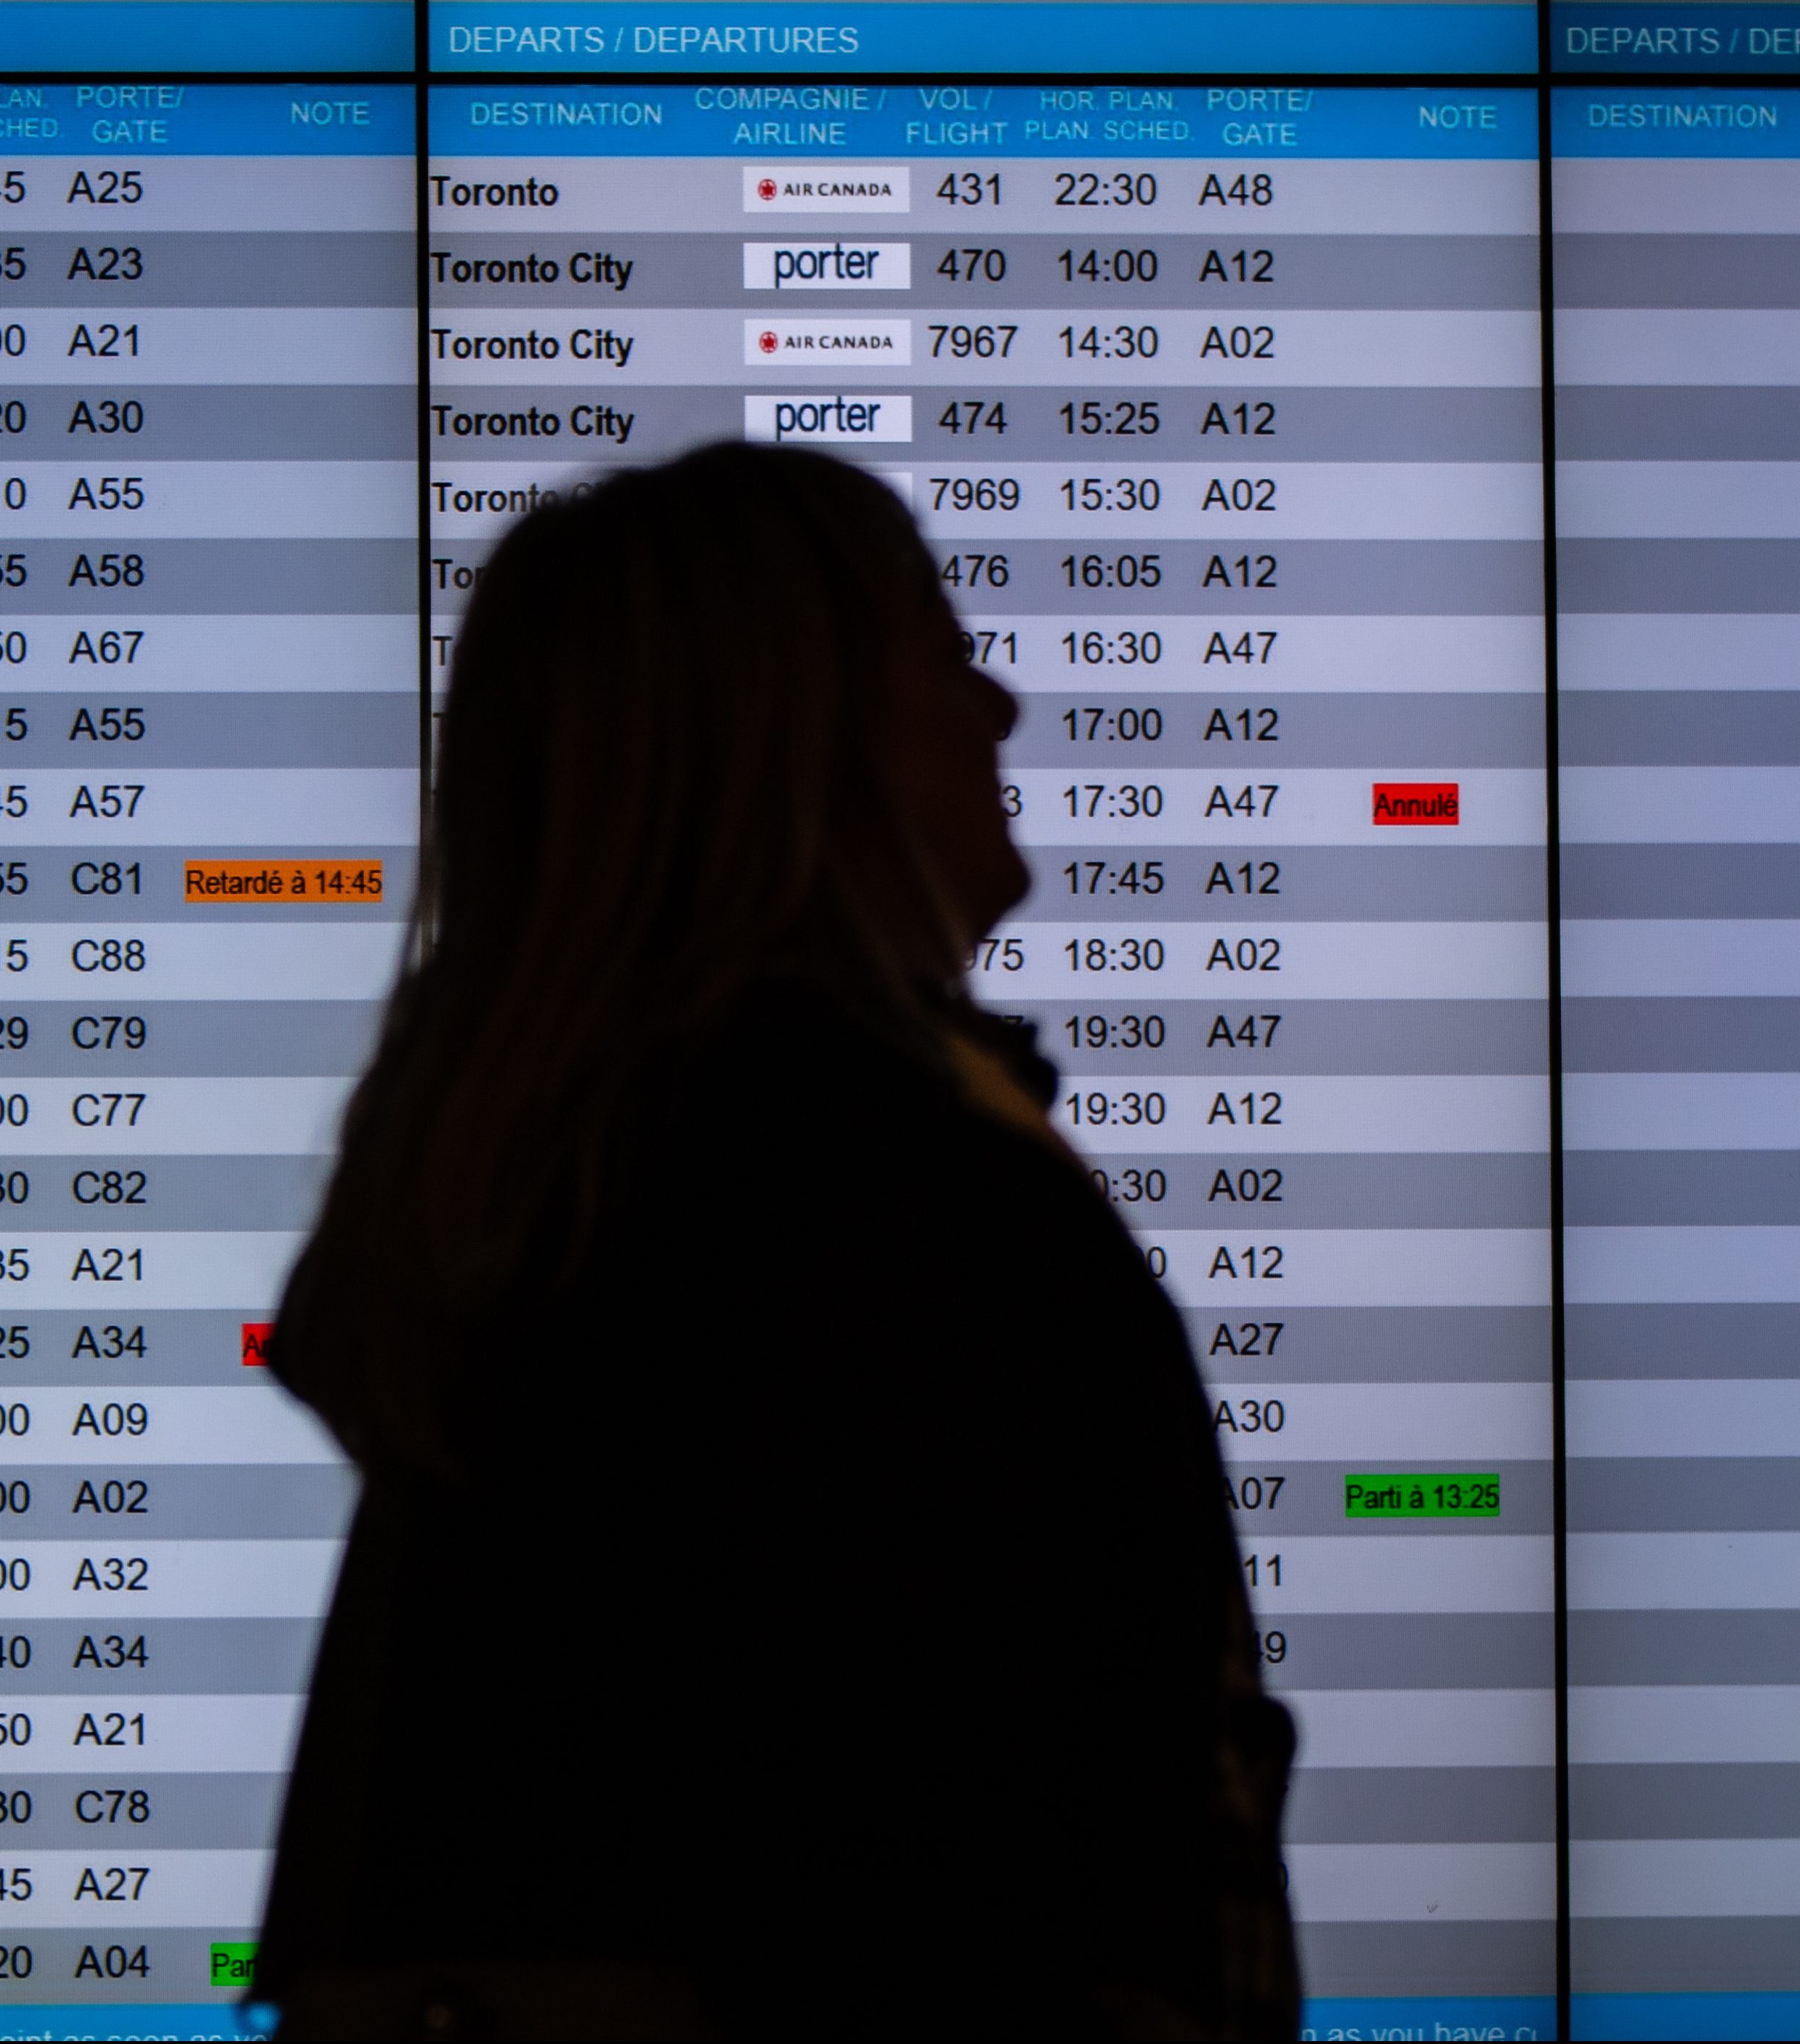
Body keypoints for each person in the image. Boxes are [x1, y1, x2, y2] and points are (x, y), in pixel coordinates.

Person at [251, 446, 1299, 2040]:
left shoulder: (569, 1212)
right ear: (803, 733)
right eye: (945, 650)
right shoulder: (891, 1217)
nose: (1000, 708)